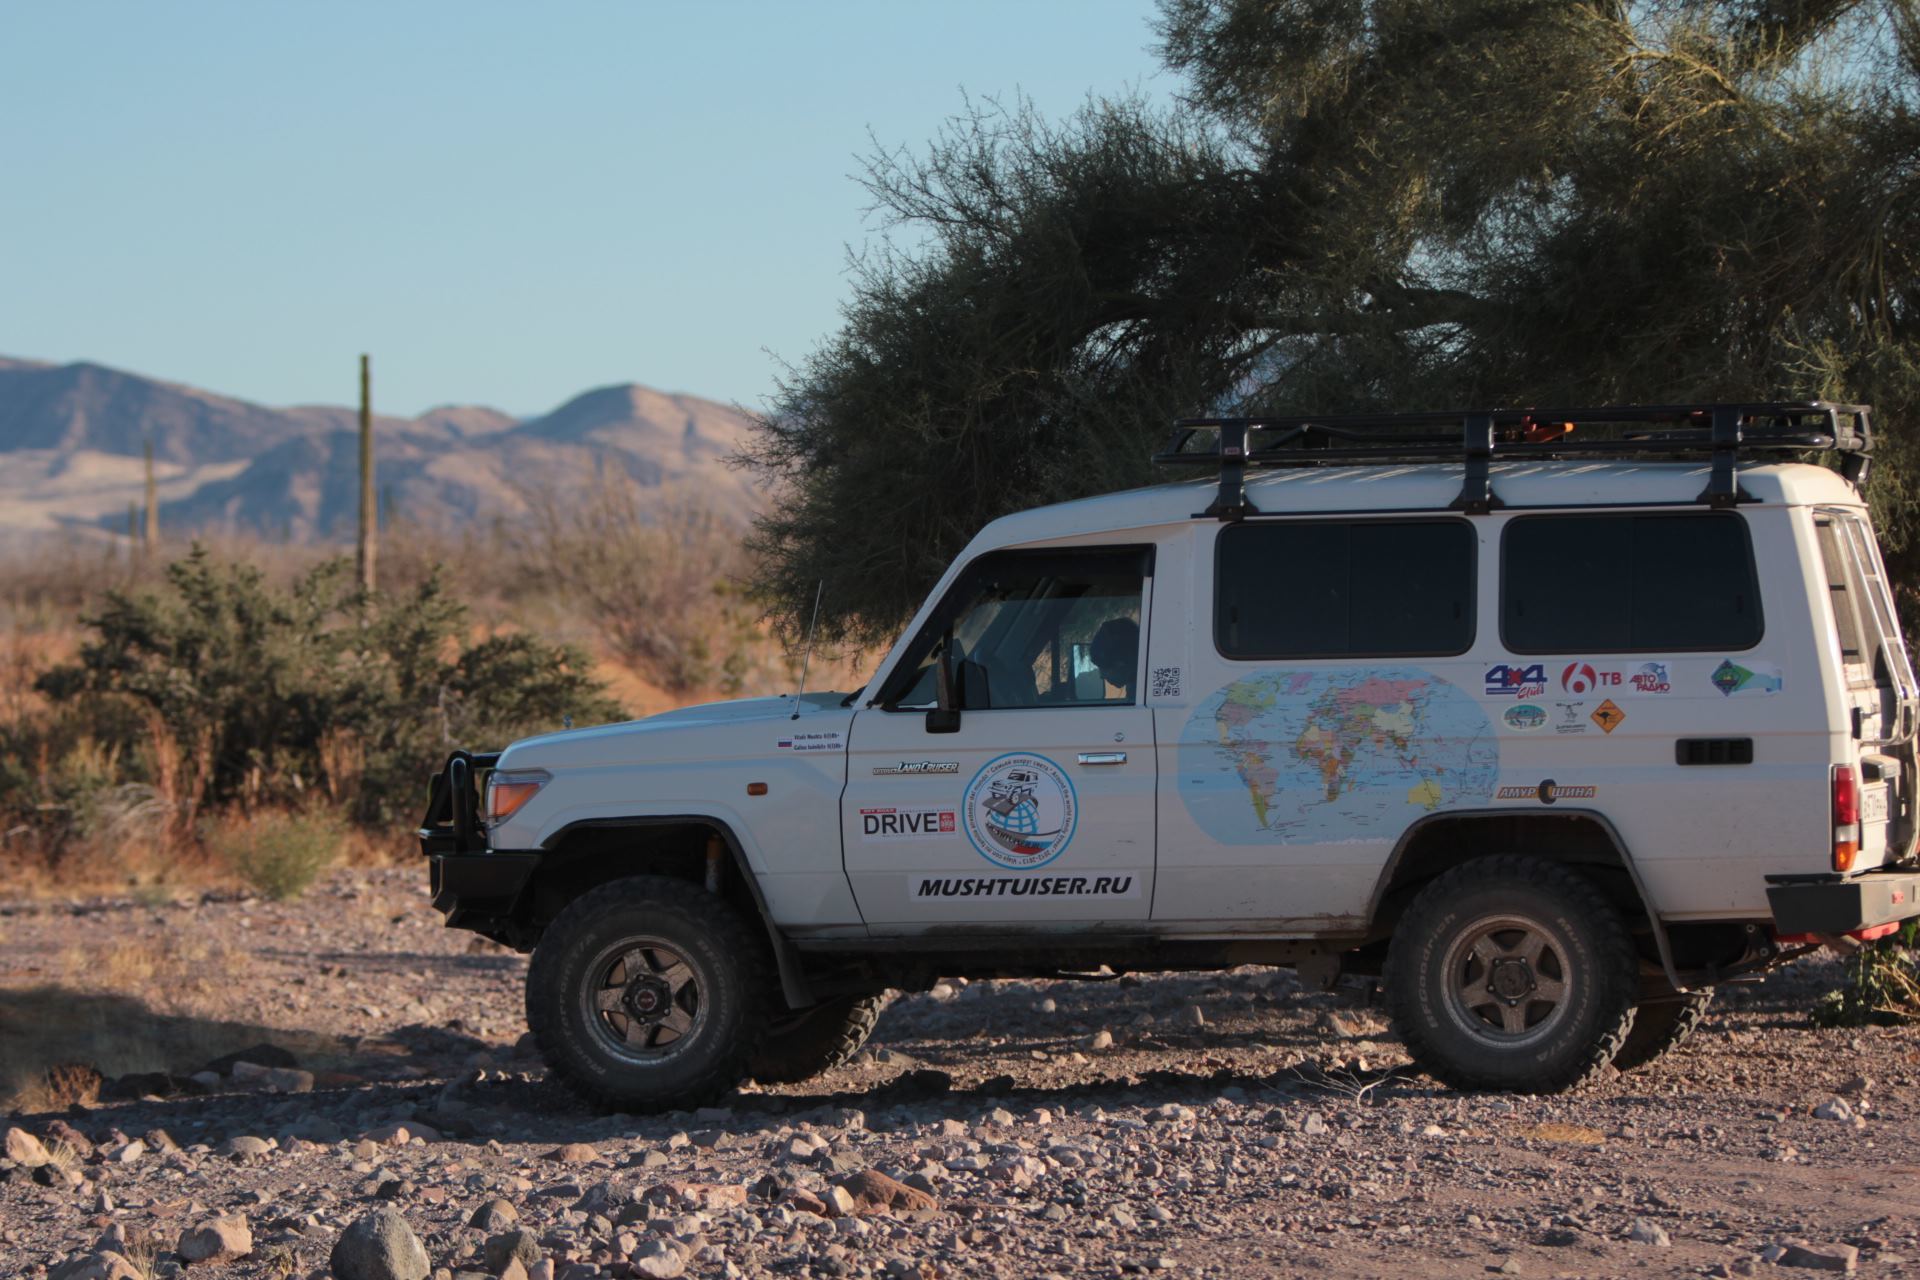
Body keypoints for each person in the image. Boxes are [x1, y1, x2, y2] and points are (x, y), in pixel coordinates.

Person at [1088, 616, 1140, 699]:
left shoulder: (1138, 694)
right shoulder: (1140, 690)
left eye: (1103, 667)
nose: (1101, 676)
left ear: (1120, 663)